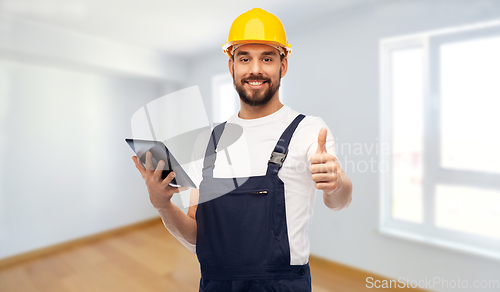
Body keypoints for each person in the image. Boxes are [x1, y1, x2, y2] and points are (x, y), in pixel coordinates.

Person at [132, 8, 353, 292]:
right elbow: (197, 236)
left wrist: (336, 184)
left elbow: (339, 201)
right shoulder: (209, 141)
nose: (255, 69)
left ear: (283, 66)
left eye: (267, 58)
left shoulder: (309, 130)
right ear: (231, 66)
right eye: (244, 58)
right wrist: (162, 204)